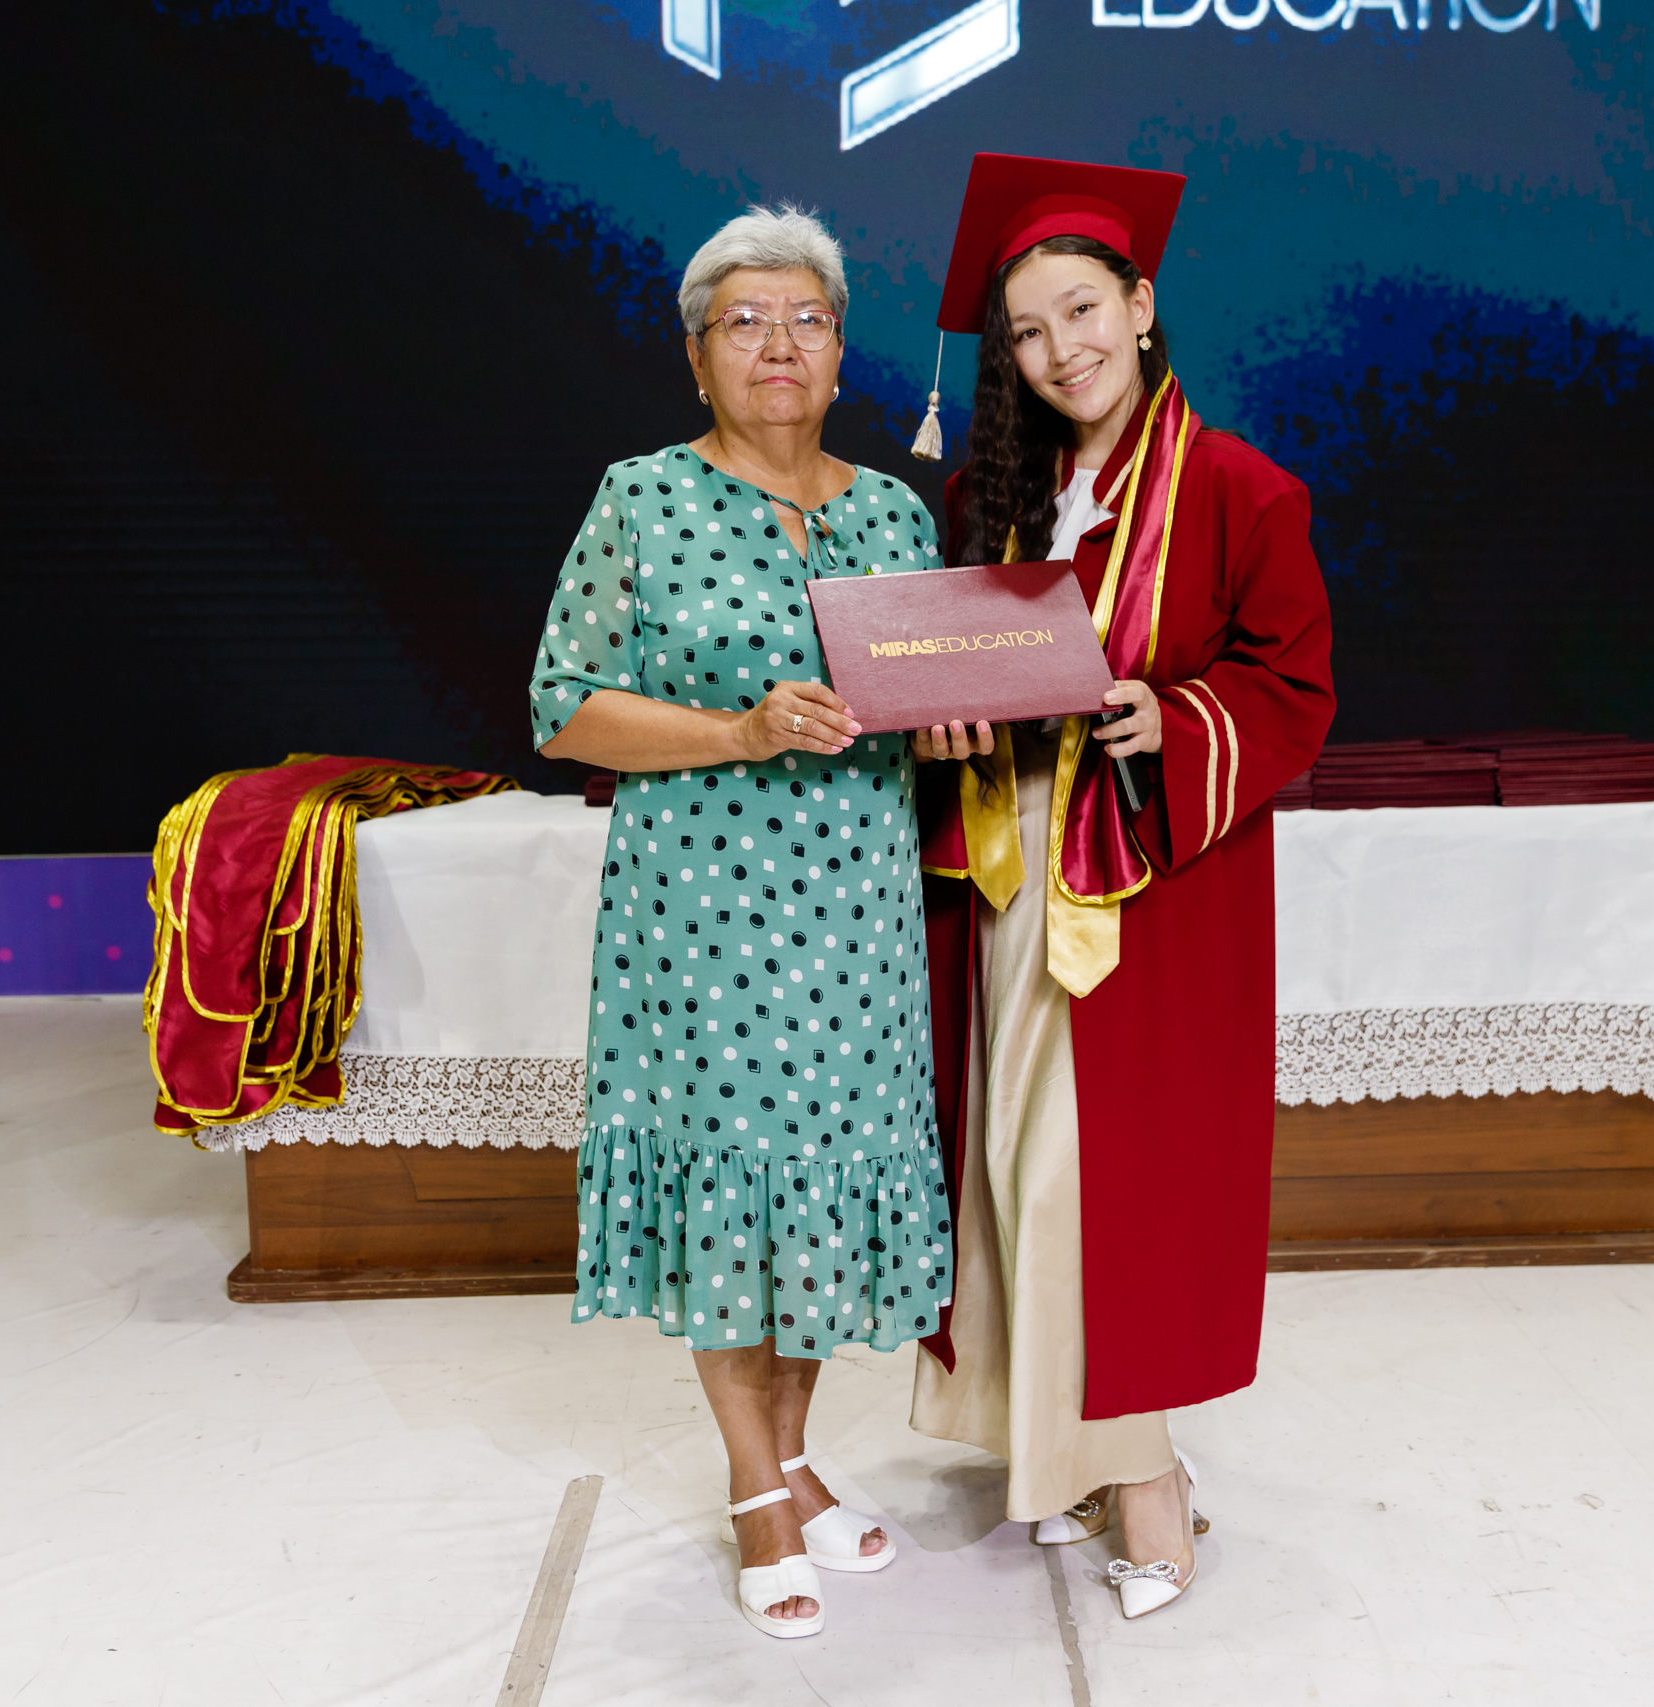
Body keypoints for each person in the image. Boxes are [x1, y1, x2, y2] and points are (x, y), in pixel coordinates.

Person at [906, 155, 1336, 1621]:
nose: (1059, 350)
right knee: (1009, 1163)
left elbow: (1292, 687)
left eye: (1082, 311)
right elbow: (944, 667)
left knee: (1097, 1180)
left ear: (1142, 306)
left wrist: (1179, 717)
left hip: (1150, 887)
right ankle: (1063, 1453)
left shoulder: (1240, 491)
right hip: (999, 867)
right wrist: (942, 722)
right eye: (1027, 332)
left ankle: (1146, 1475)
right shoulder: (988, 496)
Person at [529, 204, 953, 1641]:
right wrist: (738, 729)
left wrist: (958, 723)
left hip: (858, 922)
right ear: (698, 353)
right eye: (746, 321)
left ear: (840, 351)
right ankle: (758, 1490)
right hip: (702, 918)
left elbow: (921, 704)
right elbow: (564, 708)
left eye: (808, 320)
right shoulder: (642, 499)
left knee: (817, 1188)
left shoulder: (894, 514)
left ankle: (796, 1454)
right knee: (731, 1185)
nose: (780, 344)